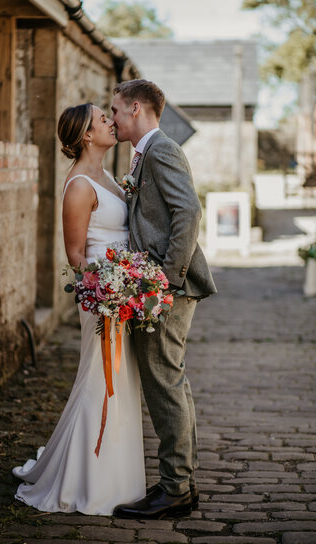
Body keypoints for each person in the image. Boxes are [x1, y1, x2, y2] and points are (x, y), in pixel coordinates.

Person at [12, 103, 146, 515]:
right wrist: (110, 290)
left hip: (123, 292)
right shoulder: (78, 187)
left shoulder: (106, 175)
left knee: (121, 383)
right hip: (102, 296)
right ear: (87, 135)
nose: (111, 120)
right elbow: (76, 256)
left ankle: (116, 475)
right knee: (100, 380)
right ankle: (85, 480)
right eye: (102, 119)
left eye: (110, 115)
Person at [111, 79, 217, 520]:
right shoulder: (146, 153)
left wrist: (165, 282)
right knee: (171, 382)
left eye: (115, 110)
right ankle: (180, 484)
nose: (112, 118)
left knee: (165, 385)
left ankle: (175, 489)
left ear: (136, 108)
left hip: (166, 290)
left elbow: (188, 212)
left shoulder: (162, 149)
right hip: (156, 286)